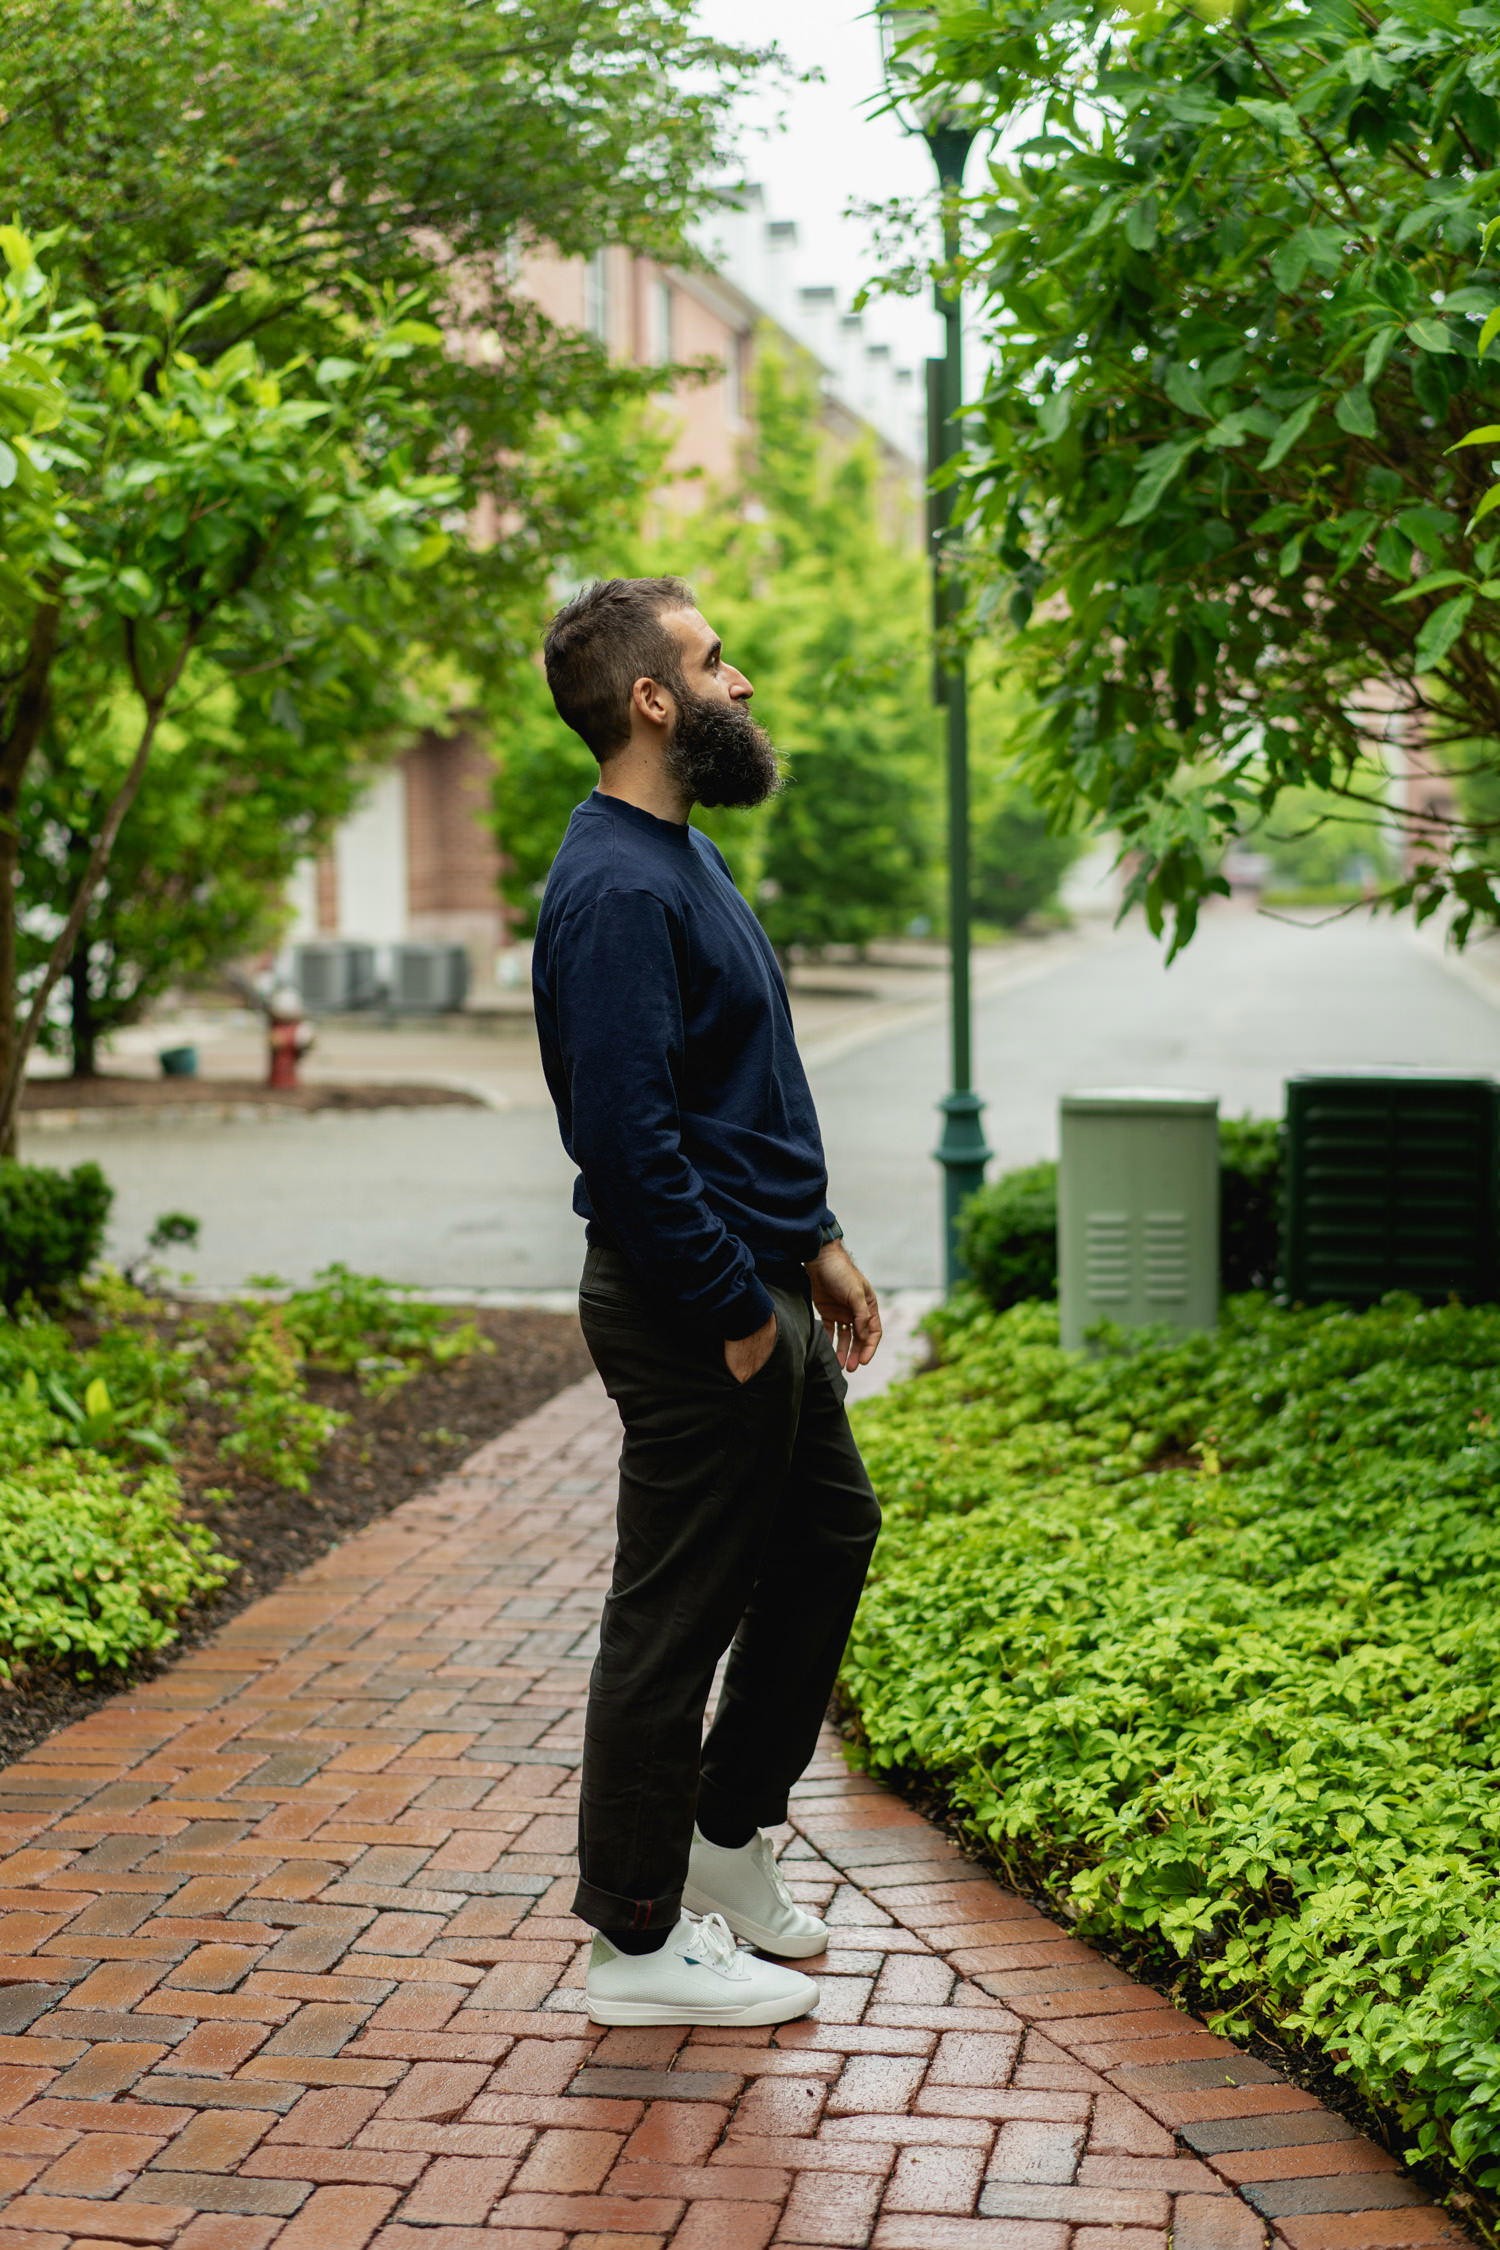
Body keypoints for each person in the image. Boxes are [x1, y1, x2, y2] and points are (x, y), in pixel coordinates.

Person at [533, 575, 883, 2028]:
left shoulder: (680, 858)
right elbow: (625, 1135)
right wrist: (739, 1305)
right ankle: (632, 1937)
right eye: (714, 659)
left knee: (827, 1537)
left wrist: (819, 1242)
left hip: (755, 1275)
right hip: (695, 1303)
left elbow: (742, 1091)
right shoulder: (615, 885)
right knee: (671, 1615)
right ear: (652, 701)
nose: (741, 680)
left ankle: (725, 1842)